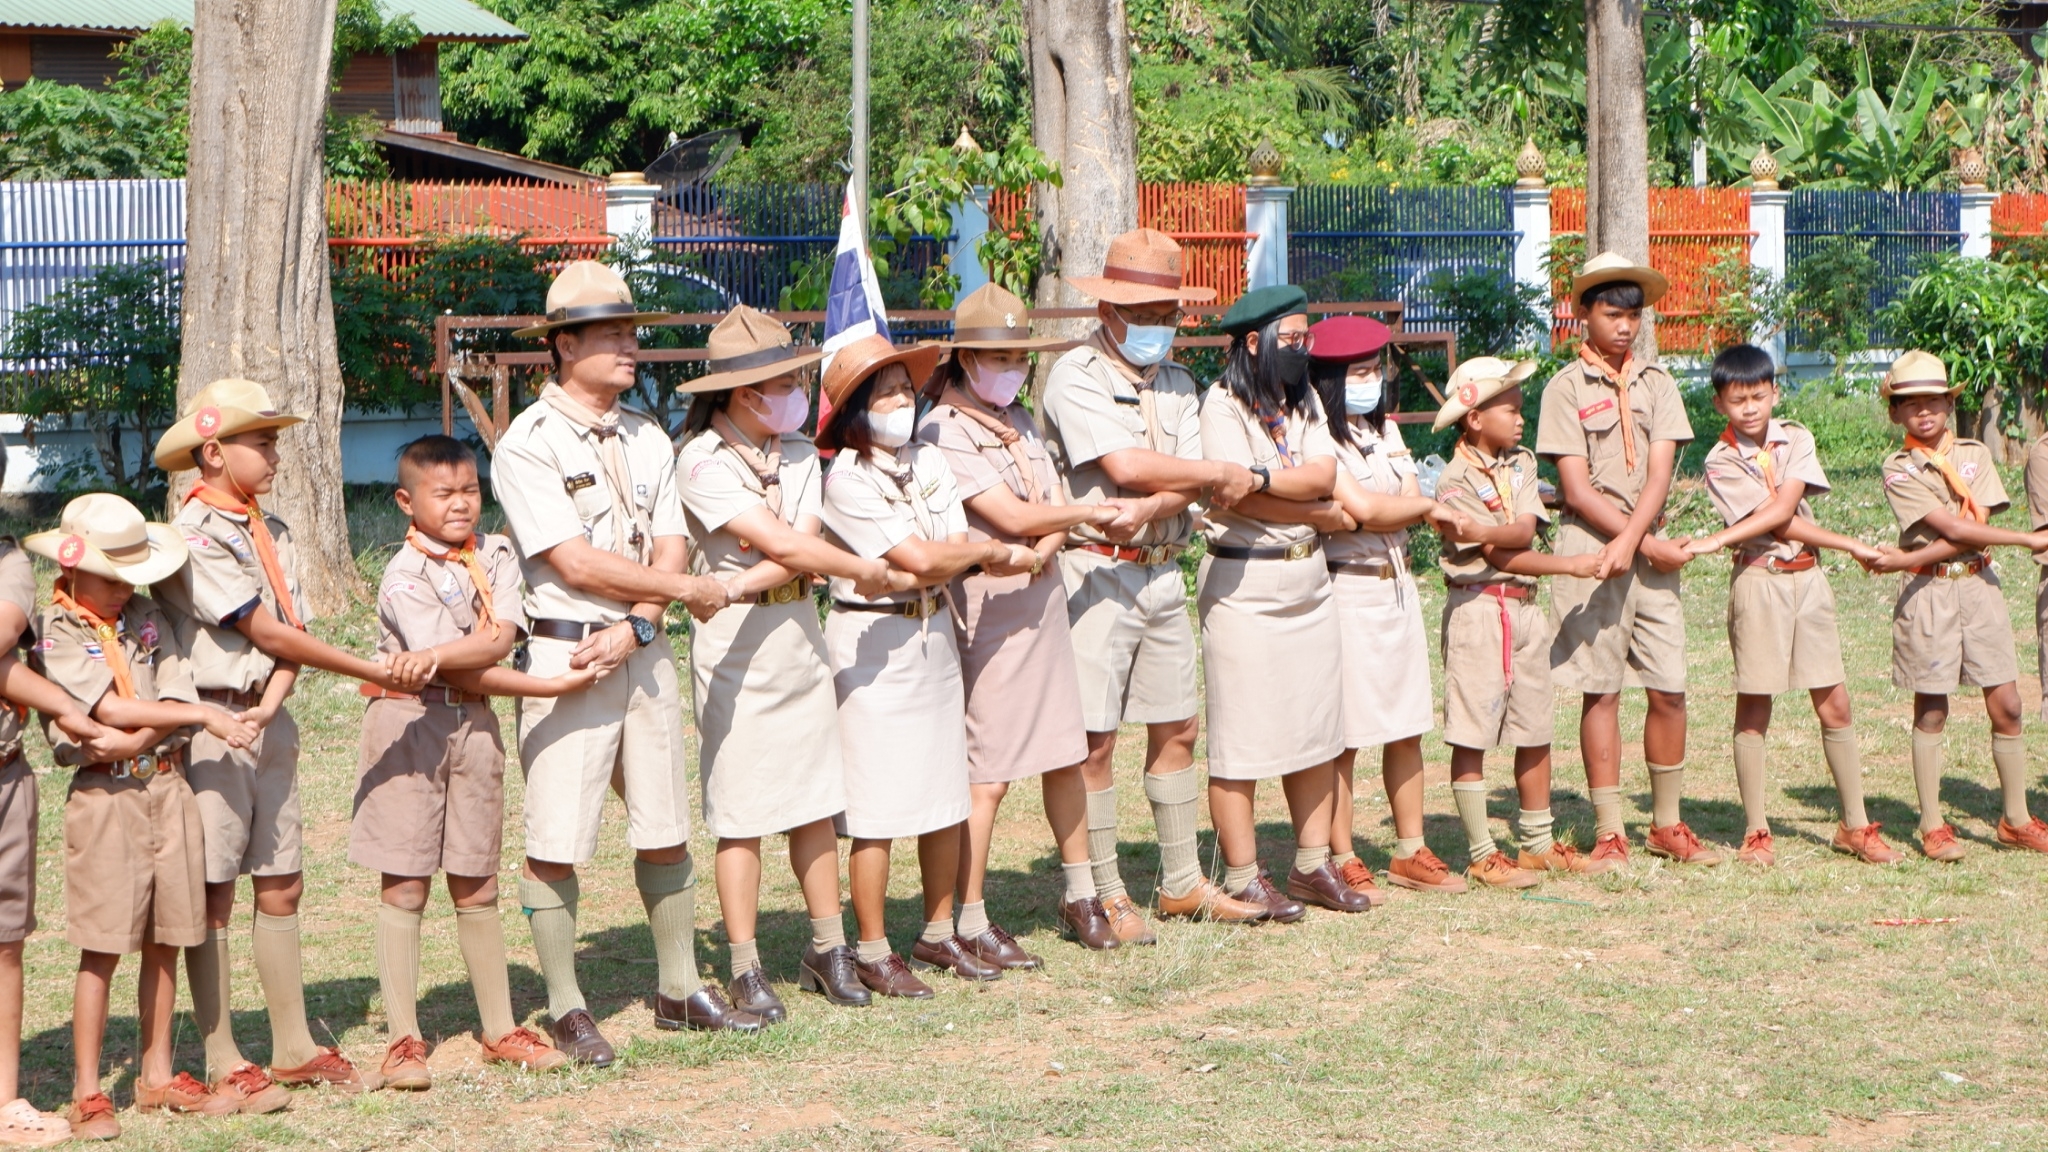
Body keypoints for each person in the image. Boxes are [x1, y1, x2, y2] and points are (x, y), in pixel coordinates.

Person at [492, 261, 754, 1061]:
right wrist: (681, 591)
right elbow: (572, 561)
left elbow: (667, 539)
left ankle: (679, 987)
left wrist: (642, 625)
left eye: (632, 333)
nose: (629, 347)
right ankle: (566, 1005)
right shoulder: (529, 443)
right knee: (557, 834)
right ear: (564, 346)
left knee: (664, 820)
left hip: (639, 647)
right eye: (610, 335)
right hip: (570, 653)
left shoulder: (644, 434)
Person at [154, 377, 438, 1098]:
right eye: (262, 442)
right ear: (214, 452)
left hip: (265, 717)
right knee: (215, 888)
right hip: (213, 721)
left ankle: (292, 1044)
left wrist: (270, 707)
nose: (276, 455)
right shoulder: (192, 536)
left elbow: (291, 636)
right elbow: (264, 629)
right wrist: (370, 668)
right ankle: (223, 1053)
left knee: (282, 880)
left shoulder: (271, 529)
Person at [1039, 228, 1268, 933]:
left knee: (1179, 727)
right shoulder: (1075, 374)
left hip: (1163, 568)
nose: (1158, 327)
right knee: (1094, 739)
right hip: (1096, 570)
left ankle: (1181, 881)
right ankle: (1100, 890)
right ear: (1106, 311)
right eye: (1142, 315)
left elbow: (1181, 486)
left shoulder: (1178, 382)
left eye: (1167, 315)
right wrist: (1209, 474)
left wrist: (1175, 492)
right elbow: (1127, 467)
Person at [675, 306, 900, 1019]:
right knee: (740, 810)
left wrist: (747, 577)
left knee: (814, 798)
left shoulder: (798, 452)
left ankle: (828, 947)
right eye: (787, 383)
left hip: (797, 634)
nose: (800, 392)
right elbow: (788, 545)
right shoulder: (701, 461)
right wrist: (859, 568)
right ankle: (745, 966)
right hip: (736, 648)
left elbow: (795, 547)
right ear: (746, 394)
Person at [26, 496, 259, 1137]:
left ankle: (156, 1075)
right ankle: (88, 1089)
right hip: (105, 799)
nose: (123, 588)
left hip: (167, 786)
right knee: (103, 944)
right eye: (109, 576)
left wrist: (153, 730)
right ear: (71, 569)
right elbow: (107, 710)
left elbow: (171, 693)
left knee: (166, 935)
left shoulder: (147, 614)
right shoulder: (54, 630)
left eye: (130, 575)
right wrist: (196, 717)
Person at [355, 436, 584, 1089]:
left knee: (477, 879)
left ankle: (499, 1028)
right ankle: (403, 1041)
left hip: (475, 724)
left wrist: (453, 655)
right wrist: (540, 683)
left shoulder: (496, 554)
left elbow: (497, 640)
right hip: (410, 725)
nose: (460, 505)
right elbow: (462, 662)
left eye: (470, 490)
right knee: (405, 882)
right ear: (406, 502)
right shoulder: (403, 574)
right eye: (443, 493)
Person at [920, 284, 1137, 957]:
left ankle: (1081, 892)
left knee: (1064, 753)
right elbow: (1009, 515)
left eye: (1020, 357)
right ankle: (970, 917)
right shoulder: (943, 430)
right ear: (965, 360)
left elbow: (1045, 505)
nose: (1013, 368)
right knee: (988, 771)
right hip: (989, 608)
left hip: (1040, 600)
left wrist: (1050, 539)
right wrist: (1080, 517)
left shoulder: (1020, 419)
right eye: (1000, 357)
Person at [817, 332, 1036, 996]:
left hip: (933, 629)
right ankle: (873, 948)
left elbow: (946, 548)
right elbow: (925, 556)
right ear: (854, 409)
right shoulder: (845, 479)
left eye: (905, 391)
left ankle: (939, 932)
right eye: (885, 393)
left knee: (944, 794)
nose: (901, 402)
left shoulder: (929, 459)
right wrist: (983, 554)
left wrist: (954, 557)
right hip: (871, 642)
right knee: (876, 807)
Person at [1684, 345, 1902, 865]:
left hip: (1809, 580)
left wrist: (1719, 539)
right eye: (1737, 400)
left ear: (1775, 393)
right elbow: (1777, 518)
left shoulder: (1796, 437)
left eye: (1759, 396)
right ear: (1719, 404)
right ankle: (1757, 830)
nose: (1750, 408)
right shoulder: (1720, 460)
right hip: (1760, 580)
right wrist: (1851, 544)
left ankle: (1855, 825)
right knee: (1755, 705)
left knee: (1835, 703)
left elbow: (1786, 509)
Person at [1536, 253, 1718, 867]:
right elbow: (1576, 488)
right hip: (1592, 550)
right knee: (1602, 689)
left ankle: (1666, 823)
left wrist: (1639, 542)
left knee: (1670, 687)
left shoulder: (1657, 383)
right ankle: (1611, 830)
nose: (1624, 326)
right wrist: (1640, 542)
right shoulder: (1564, 388)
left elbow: (1661, 473)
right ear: (1583, 314)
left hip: (1644, 546)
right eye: (1612, 314)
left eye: (1633, 316)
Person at [1197, 285, 1370, 920]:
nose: (1302, 350)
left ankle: (1311, 865)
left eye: (1306, 338)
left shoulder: (1304, 401)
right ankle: (1244, 876)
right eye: (1291, 340)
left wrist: (1268, 480)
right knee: (1239, 737)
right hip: (1244, 582)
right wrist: (1311, 508)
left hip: (1308, 580)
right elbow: (1232, 496)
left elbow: (1321, 475)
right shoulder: (1221, 404)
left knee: (1316, 727)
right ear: (1254, 342)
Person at [1305, 314, 1469, 897]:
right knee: (1346, 734)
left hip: (1396, 587)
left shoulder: (1387, 431)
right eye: (1359, 372)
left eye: (1376, 370)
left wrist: (1403, 506)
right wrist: (1421, 509)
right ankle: (1343, 854)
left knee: (1406, 725)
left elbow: (1395, 498)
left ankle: (1409, 849)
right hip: (1347, 590)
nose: (1371, 381)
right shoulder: (1318, 438)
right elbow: (1372, 509)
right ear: (1330, 380)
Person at [1430, 359, 1607, 886]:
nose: (1520, 419)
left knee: (1535, 726)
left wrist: (1483, 529)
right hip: (1478, 609)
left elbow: (1522, 530)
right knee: (1472, 731)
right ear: (1474, 419)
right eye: (1509, 410)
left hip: (1524, 608)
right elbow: (1498, 552)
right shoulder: (1454, 479)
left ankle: (1536, 842)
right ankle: (1482, 852)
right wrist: (1568, 564)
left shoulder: (1521, 463)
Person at [1866, 350, 2048, 861]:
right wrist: (2025, 539)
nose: (1924, 411)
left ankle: (2015, 818)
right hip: (1929, 593)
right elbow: (1953, 528)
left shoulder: (1975, 454)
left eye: (1934, 400)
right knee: (1932, 707)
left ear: (1950, 403)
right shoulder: (1898, 468)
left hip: (1979, 586)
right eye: (1910, 403)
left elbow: (1974, 523)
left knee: (2007, 703)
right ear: (1895, 412)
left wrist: (1905, 558)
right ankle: (1932, 824)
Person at [0, 523, 123, 1146]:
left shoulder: (8, 564)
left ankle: (4, 1101)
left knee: (4, 943)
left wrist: (70, 710)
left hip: (3, 773)